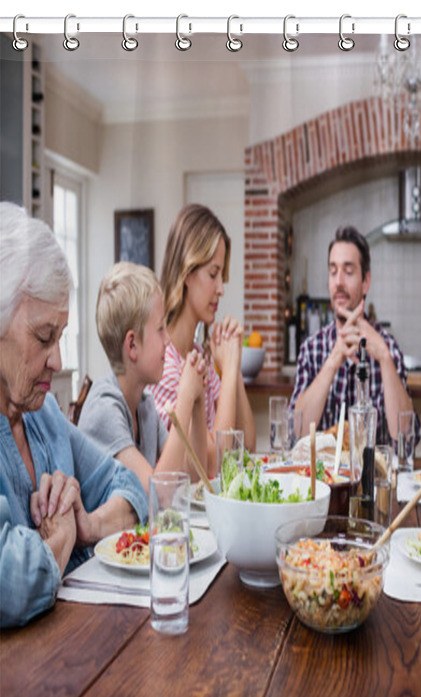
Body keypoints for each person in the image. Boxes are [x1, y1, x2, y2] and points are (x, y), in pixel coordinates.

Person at [0, 203, 147, 628]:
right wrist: (60, 539)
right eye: (44, 337)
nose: (58, 360)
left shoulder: (42, 412)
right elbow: (9, 580)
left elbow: (130, 486)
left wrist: (87, 526)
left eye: (61, 336)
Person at [78, 262, 208, 491]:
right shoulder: (103, 409)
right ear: (132, 345)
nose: (168, 339)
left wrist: (198, 403)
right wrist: (185, 397)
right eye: (160, 329)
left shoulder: (145, 405)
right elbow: (158, 495)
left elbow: (194, 479)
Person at [149, 204, 255, 473]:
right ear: (186, 272)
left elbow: (247, 447)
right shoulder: (166, 365)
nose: (221, 289)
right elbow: (214, 465)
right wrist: (229, 369)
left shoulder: (195, 354)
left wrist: (234, 364)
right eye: (213, 274)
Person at [290, 225, 418, 446]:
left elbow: (405, 438)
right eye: (333, 271)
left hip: (374, 479)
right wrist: (333, 360)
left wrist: (385, 359)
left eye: (348, 272)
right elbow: (297, 433)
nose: (338, 281)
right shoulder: (312, 349)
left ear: (365, 281)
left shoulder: (388, 347)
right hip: (323, 480)